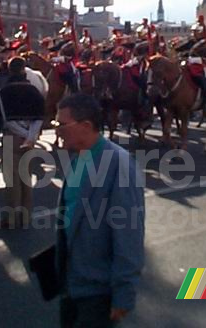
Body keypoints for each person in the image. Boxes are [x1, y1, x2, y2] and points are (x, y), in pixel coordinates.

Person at [54, 94, 144, 328]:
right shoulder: (77, 158)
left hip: (98, 291)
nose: (57, 131)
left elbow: (129, 234)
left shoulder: (119, 164)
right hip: (72, 283)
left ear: (86, 126)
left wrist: (124, 292)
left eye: (61, 125)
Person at [0, 56, 45, 228]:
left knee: (12, 180)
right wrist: (30, 137)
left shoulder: (4, 91)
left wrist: (24, 134)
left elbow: (7, 119)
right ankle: (26, 217)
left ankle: (11, 218)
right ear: (24, 70)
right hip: (29, 139)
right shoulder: (34, 91)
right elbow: (39, 117)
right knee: (26, 178)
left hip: (12, 137)